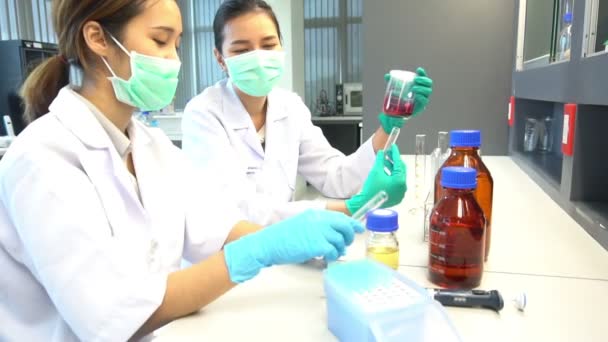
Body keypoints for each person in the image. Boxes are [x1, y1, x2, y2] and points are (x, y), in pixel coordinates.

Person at [0, 1, 363, 340]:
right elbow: (114, 315)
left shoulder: (152, 146)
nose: (173, 60)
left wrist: (293, 238)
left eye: (177, 43)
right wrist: (261, 249)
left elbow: (213, 228)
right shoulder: (43, 160)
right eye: (160, 40)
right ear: (97, 38)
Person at [182, 0, 434, 225]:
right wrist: (351, 209)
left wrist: (389, 126)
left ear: (281, 46)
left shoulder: (289, 106)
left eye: (268, 44)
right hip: (225, 262)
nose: (258, 58)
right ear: (220, 58)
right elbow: (239, 212)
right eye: (241, 50)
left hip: (280, 250)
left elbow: (336, 177)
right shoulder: (203, 114)